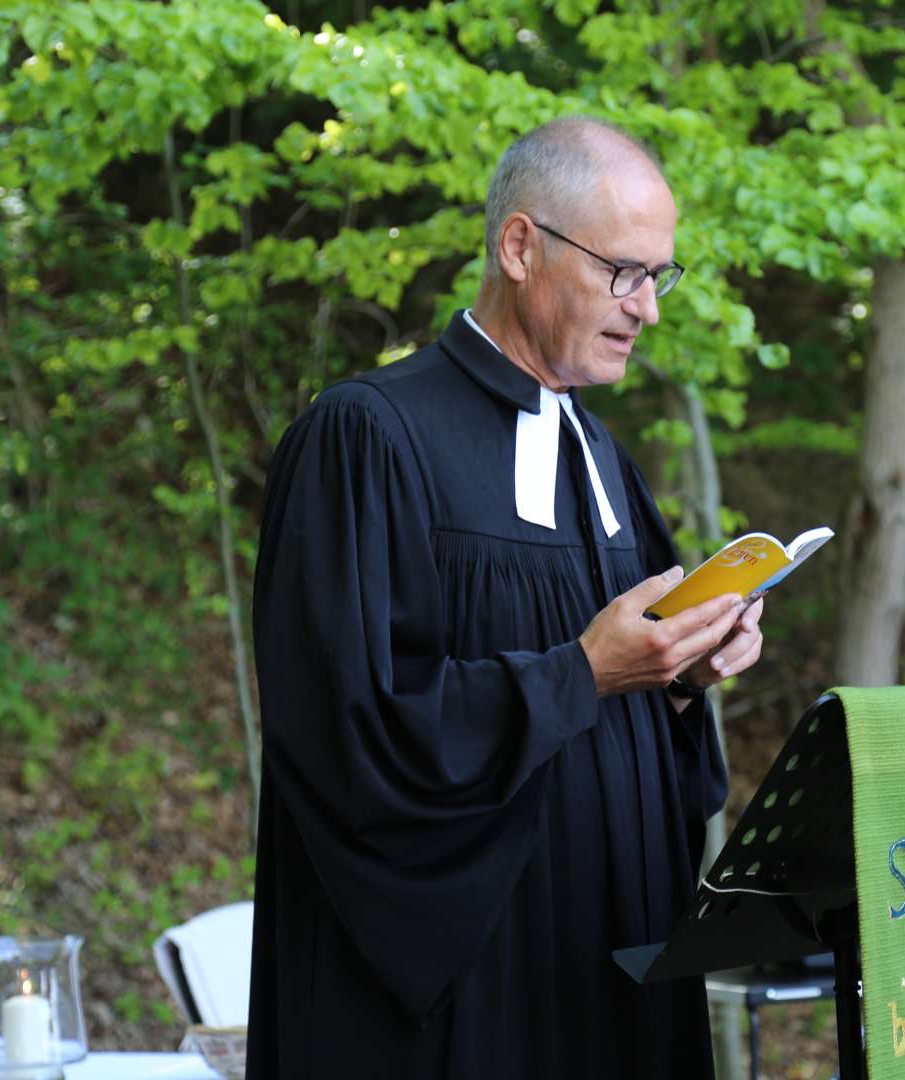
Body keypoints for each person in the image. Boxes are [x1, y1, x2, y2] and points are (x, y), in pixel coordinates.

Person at [245, 117, 766, 1078]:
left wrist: (682, 680)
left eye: (661, 275)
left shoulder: (606, 463)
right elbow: (346, 741)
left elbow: (650, 761)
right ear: (519, 246)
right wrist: (580, 675)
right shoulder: (366, 440)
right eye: (624, 272)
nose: (647, 307)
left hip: (617, 977)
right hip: (467, 1006)